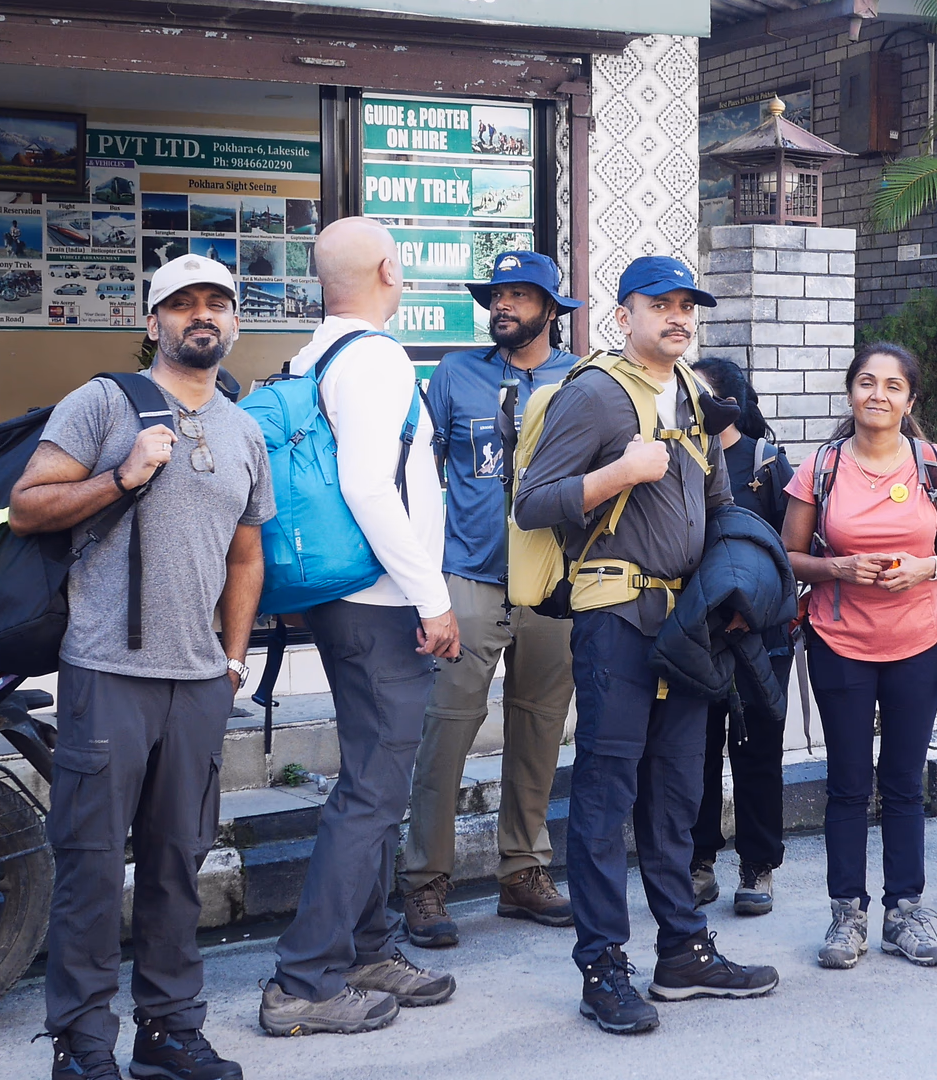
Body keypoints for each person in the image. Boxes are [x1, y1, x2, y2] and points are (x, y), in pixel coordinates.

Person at [12, 254, 271, 1080]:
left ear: (234, 321)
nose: (202, 316)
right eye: (182, 304)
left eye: (216, 304)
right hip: (107, 671)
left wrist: (232, 661)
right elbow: (28, 506)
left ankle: (168, 1029)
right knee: (92, 866)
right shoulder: (101, 404)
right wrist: (122, 475)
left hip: (198, 680)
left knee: (177, 862)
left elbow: (246, 554)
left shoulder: (243, 430)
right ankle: (81, 1046)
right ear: (152, 321)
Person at [513, 256, 778, 1036]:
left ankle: (682, 953)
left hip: (686, 621)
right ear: (623, 316)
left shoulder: (694, 393)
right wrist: (619, 473)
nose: (678, 316)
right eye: (661, 304)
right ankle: (602, 966)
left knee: (675, 795)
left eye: (687, 305)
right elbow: (531, 503)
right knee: (605, 795)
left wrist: (737, 591)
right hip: (616, 616)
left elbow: (719, 504)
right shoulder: (595, 393)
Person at [261, 217, 461, 1037]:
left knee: (371, 784)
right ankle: (303, 981)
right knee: (374, 791)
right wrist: (431, 596)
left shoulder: (313, 355)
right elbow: (370, 488)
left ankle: (368, 949)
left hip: (344, 598)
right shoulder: (376, 358)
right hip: (380, 603)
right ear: (388, 269)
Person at [399, 251, 583, 945]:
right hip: (469, 579)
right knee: (446, 730)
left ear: (551, 309)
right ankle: (424, 883)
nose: (502, 305)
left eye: (519, 294)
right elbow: (423, 472)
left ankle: (523, 872)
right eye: (496, 294)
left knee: (539, 729)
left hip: (552, 583)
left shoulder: (580, 380)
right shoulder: (455, 374)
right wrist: (423, 579)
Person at [780, 343, 937, 970]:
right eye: (867, 382)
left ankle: (904, 912)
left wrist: (927, 567)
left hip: (918, 638)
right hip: (839, 639)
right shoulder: (821, 466)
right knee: (847, 782)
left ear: (910, 400)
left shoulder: (935, 464)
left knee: (902, 780)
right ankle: (847, 913)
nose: (878, 395)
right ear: (850, 392)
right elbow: (787, 556)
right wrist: (838, 567)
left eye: (893, 386)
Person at [687, 357, 794, 915]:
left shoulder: (764, 462)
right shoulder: (675, 454)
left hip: (759, 636)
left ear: (728, 402)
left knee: (757, 752)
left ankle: (758, 866)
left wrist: (756, 611)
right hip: (695, 635)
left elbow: (791, 551)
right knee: (694, 753)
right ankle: (697, 863)